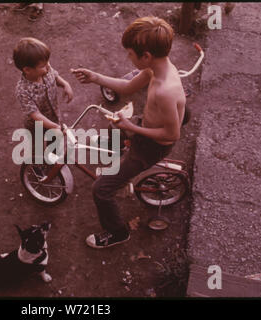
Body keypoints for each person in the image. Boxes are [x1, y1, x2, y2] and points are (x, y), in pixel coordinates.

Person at [71, 16, 186, 249]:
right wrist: (96, 78)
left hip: (151, 146)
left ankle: (117, 232)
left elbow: (172, 135)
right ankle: (118, 160)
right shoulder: (157, 67)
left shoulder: (165, 90)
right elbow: (128, 86)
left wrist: (131, 128)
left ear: (146, 56)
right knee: (115, 127)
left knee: (101, 190)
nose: (128, 58)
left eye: (130, 54)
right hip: (145, 127)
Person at [13, 37, 73, 160]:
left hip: (53, 116)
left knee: (55, 140)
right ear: (27, 70)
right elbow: (36, 115)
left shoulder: (46, 69)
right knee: (37, 147)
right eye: (43, 66)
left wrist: (65, 84)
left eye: (47, 63)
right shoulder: (23, 90)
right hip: (37, 126)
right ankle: (36, 165)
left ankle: (54, 159)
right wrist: (55, 127)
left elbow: (55, 76)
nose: (48, 68)